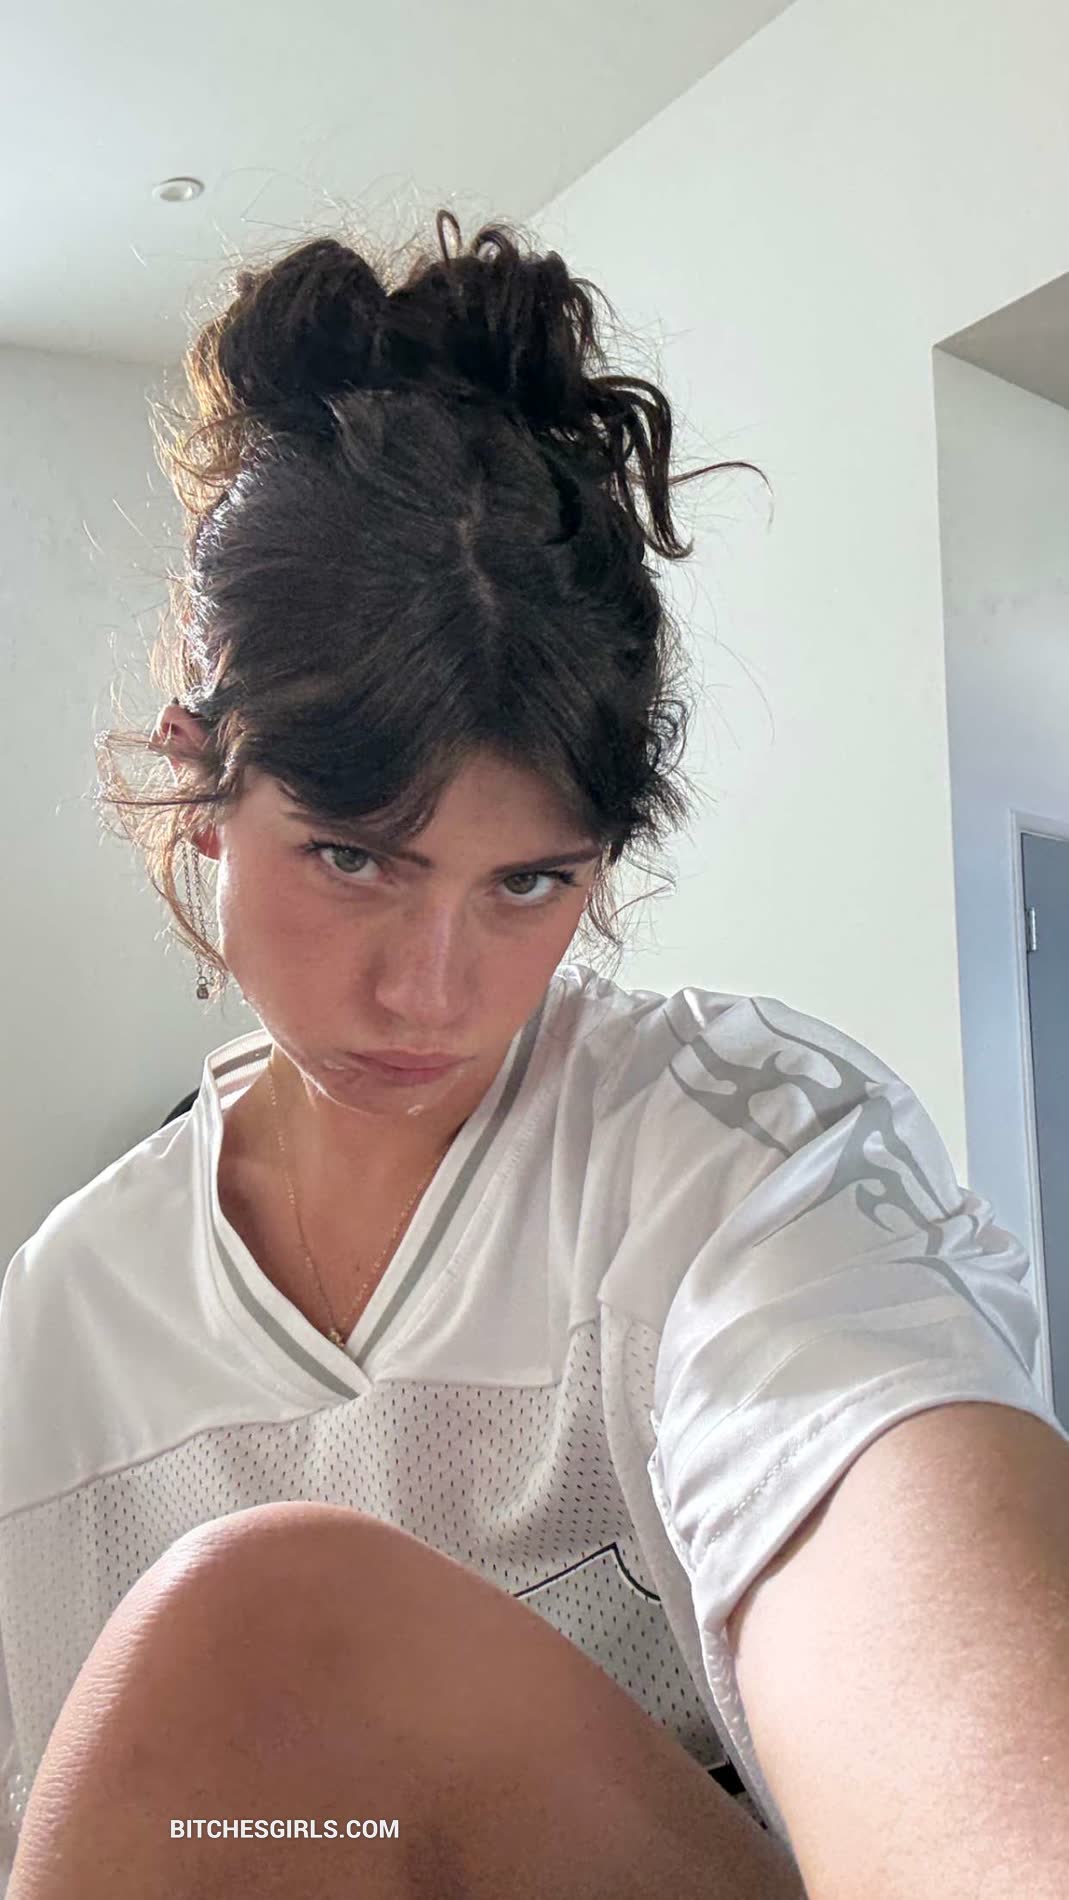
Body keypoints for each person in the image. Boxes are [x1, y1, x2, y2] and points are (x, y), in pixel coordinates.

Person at [0, 209, 1062, 1900]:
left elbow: (909, 1588)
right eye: (354, 857)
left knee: (270, 1625)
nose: (430, 992)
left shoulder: (737, 1152)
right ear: (204, 784)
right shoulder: (67, 1327)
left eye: (528, 884)